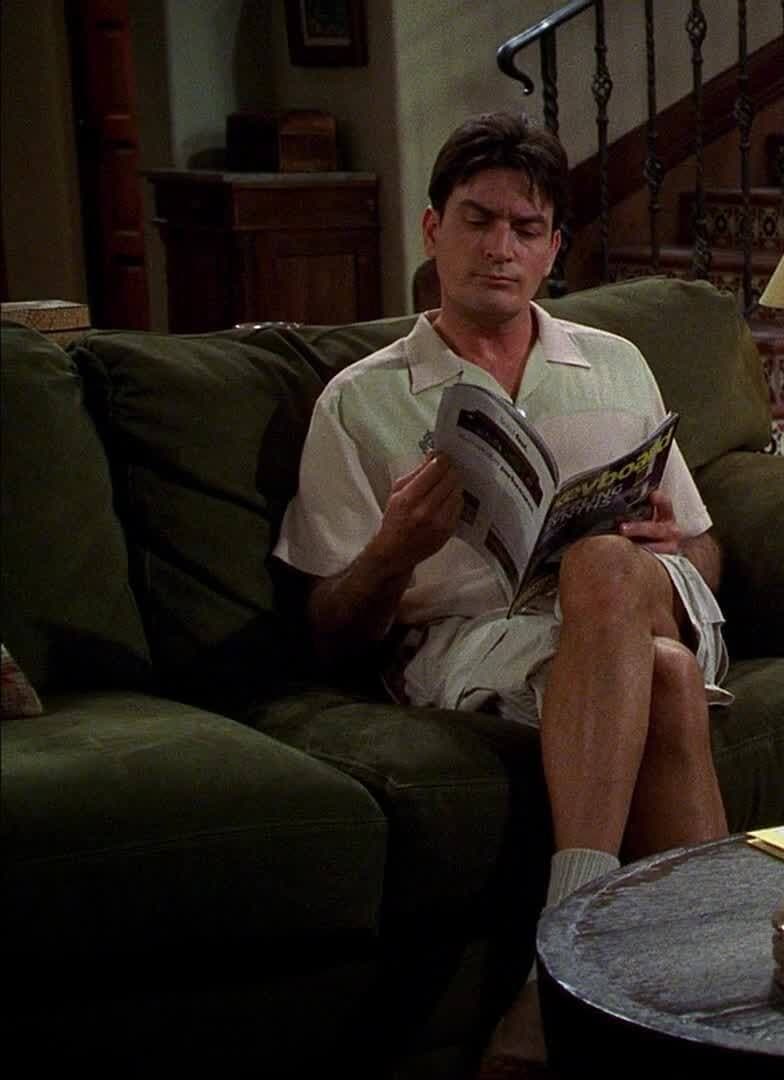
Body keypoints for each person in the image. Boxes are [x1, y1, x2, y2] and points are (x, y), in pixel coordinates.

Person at [273, 112, 730, 1062]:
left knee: (605, 564)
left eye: (526, 229)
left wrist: (671, 542)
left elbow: (705, 552)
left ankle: (553, 961)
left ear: (554, 248)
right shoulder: (360, 398)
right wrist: (395, 549)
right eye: (478, 221)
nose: (500, 249)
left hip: (645, 596)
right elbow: (326, 632)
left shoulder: (615, 362)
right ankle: (721, 1016)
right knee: (667, 679)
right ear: (432, 228)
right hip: (476, 643)